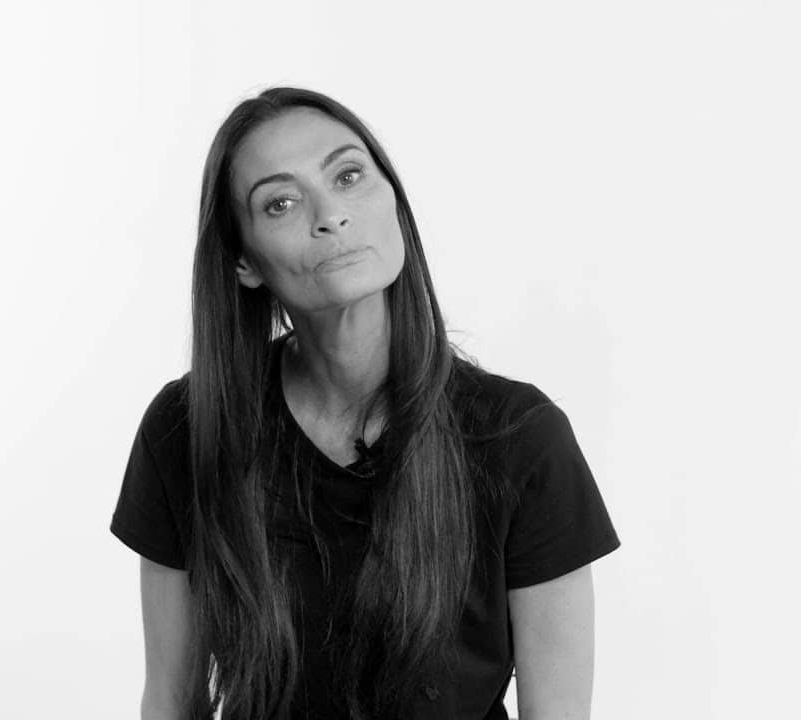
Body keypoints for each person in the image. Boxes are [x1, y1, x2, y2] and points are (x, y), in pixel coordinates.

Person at [109, 86, 621, 720]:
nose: (331, 215)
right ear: (243, 261)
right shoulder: (186, 430)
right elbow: (169, 701)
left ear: (393, 200)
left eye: (348, 175)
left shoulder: (520, 438)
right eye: (281, 203)